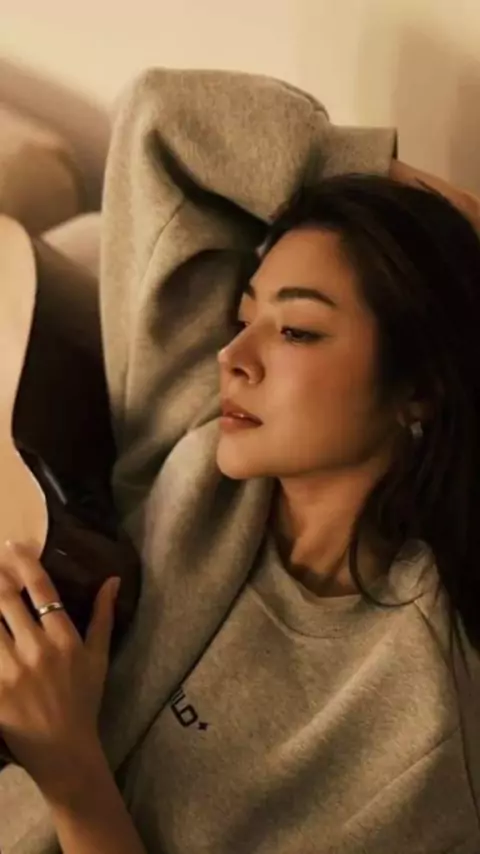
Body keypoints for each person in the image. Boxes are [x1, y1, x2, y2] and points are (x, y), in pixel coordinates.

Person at [1, 67, 480, 854]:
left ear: (418, 389)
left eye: (295, 331)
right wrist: (447, 214)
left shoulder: (412, 725)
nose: (232, 357)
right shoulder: (198, 460)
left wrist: (72, 774)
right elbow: (165, 122)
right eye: (242, 316)